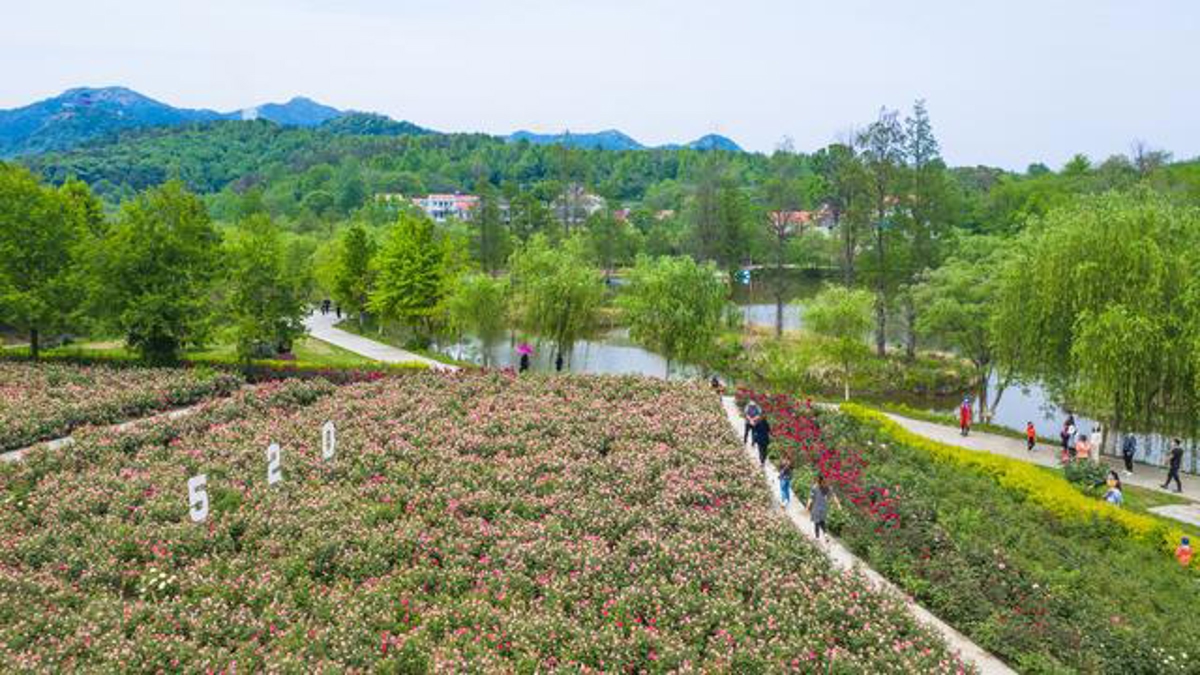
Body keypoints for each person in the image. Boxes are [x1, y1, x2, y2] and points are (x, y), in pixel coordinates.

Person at [807, 474, 838, 542]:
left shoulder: (814, 488)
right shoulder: (828, 487)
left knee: (817, 523)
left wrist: (807, 507)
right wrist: (838, 504)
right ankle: (825, 535)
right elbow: (834, 496)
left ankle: (817, 537)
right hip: (824, 508)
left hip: (816, 508)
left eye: (817, 479)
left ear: (819, 481)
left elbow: (811, 498)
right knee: (822, 522)